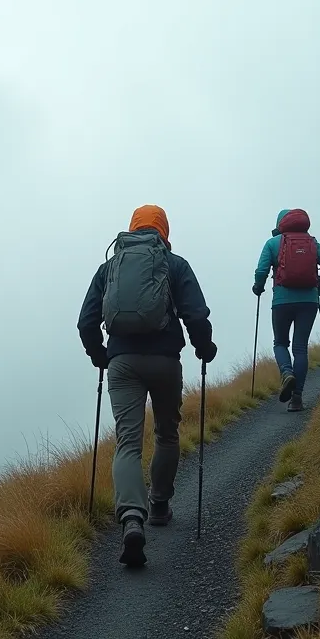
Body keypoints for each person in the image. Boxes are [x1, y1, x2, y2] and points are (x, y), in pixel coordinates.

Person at [77, 204, 217, 567]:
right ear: (164, 232)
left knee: (128, 442)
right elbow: (196, 315)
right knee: (167, 434)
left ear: (131, 228)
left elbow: (86, 322)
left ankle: (132, 520)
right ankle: (158, 504)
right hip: (165, 361)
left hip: (122, 363)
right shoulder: (175, 265)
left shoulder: (109, 268)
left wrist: (101, 356)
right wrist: (205, 347)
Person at [252, 208, 320, 412]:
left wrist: (258, 286)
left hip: (282, 301)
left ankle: (286, 372)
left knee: (280, 342)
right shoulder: (312, 242)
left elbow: (262, 270)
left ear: (280, 225)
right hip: (309, 300)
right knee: (300, 347)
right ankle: (296, 398)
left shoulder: (272, 243)